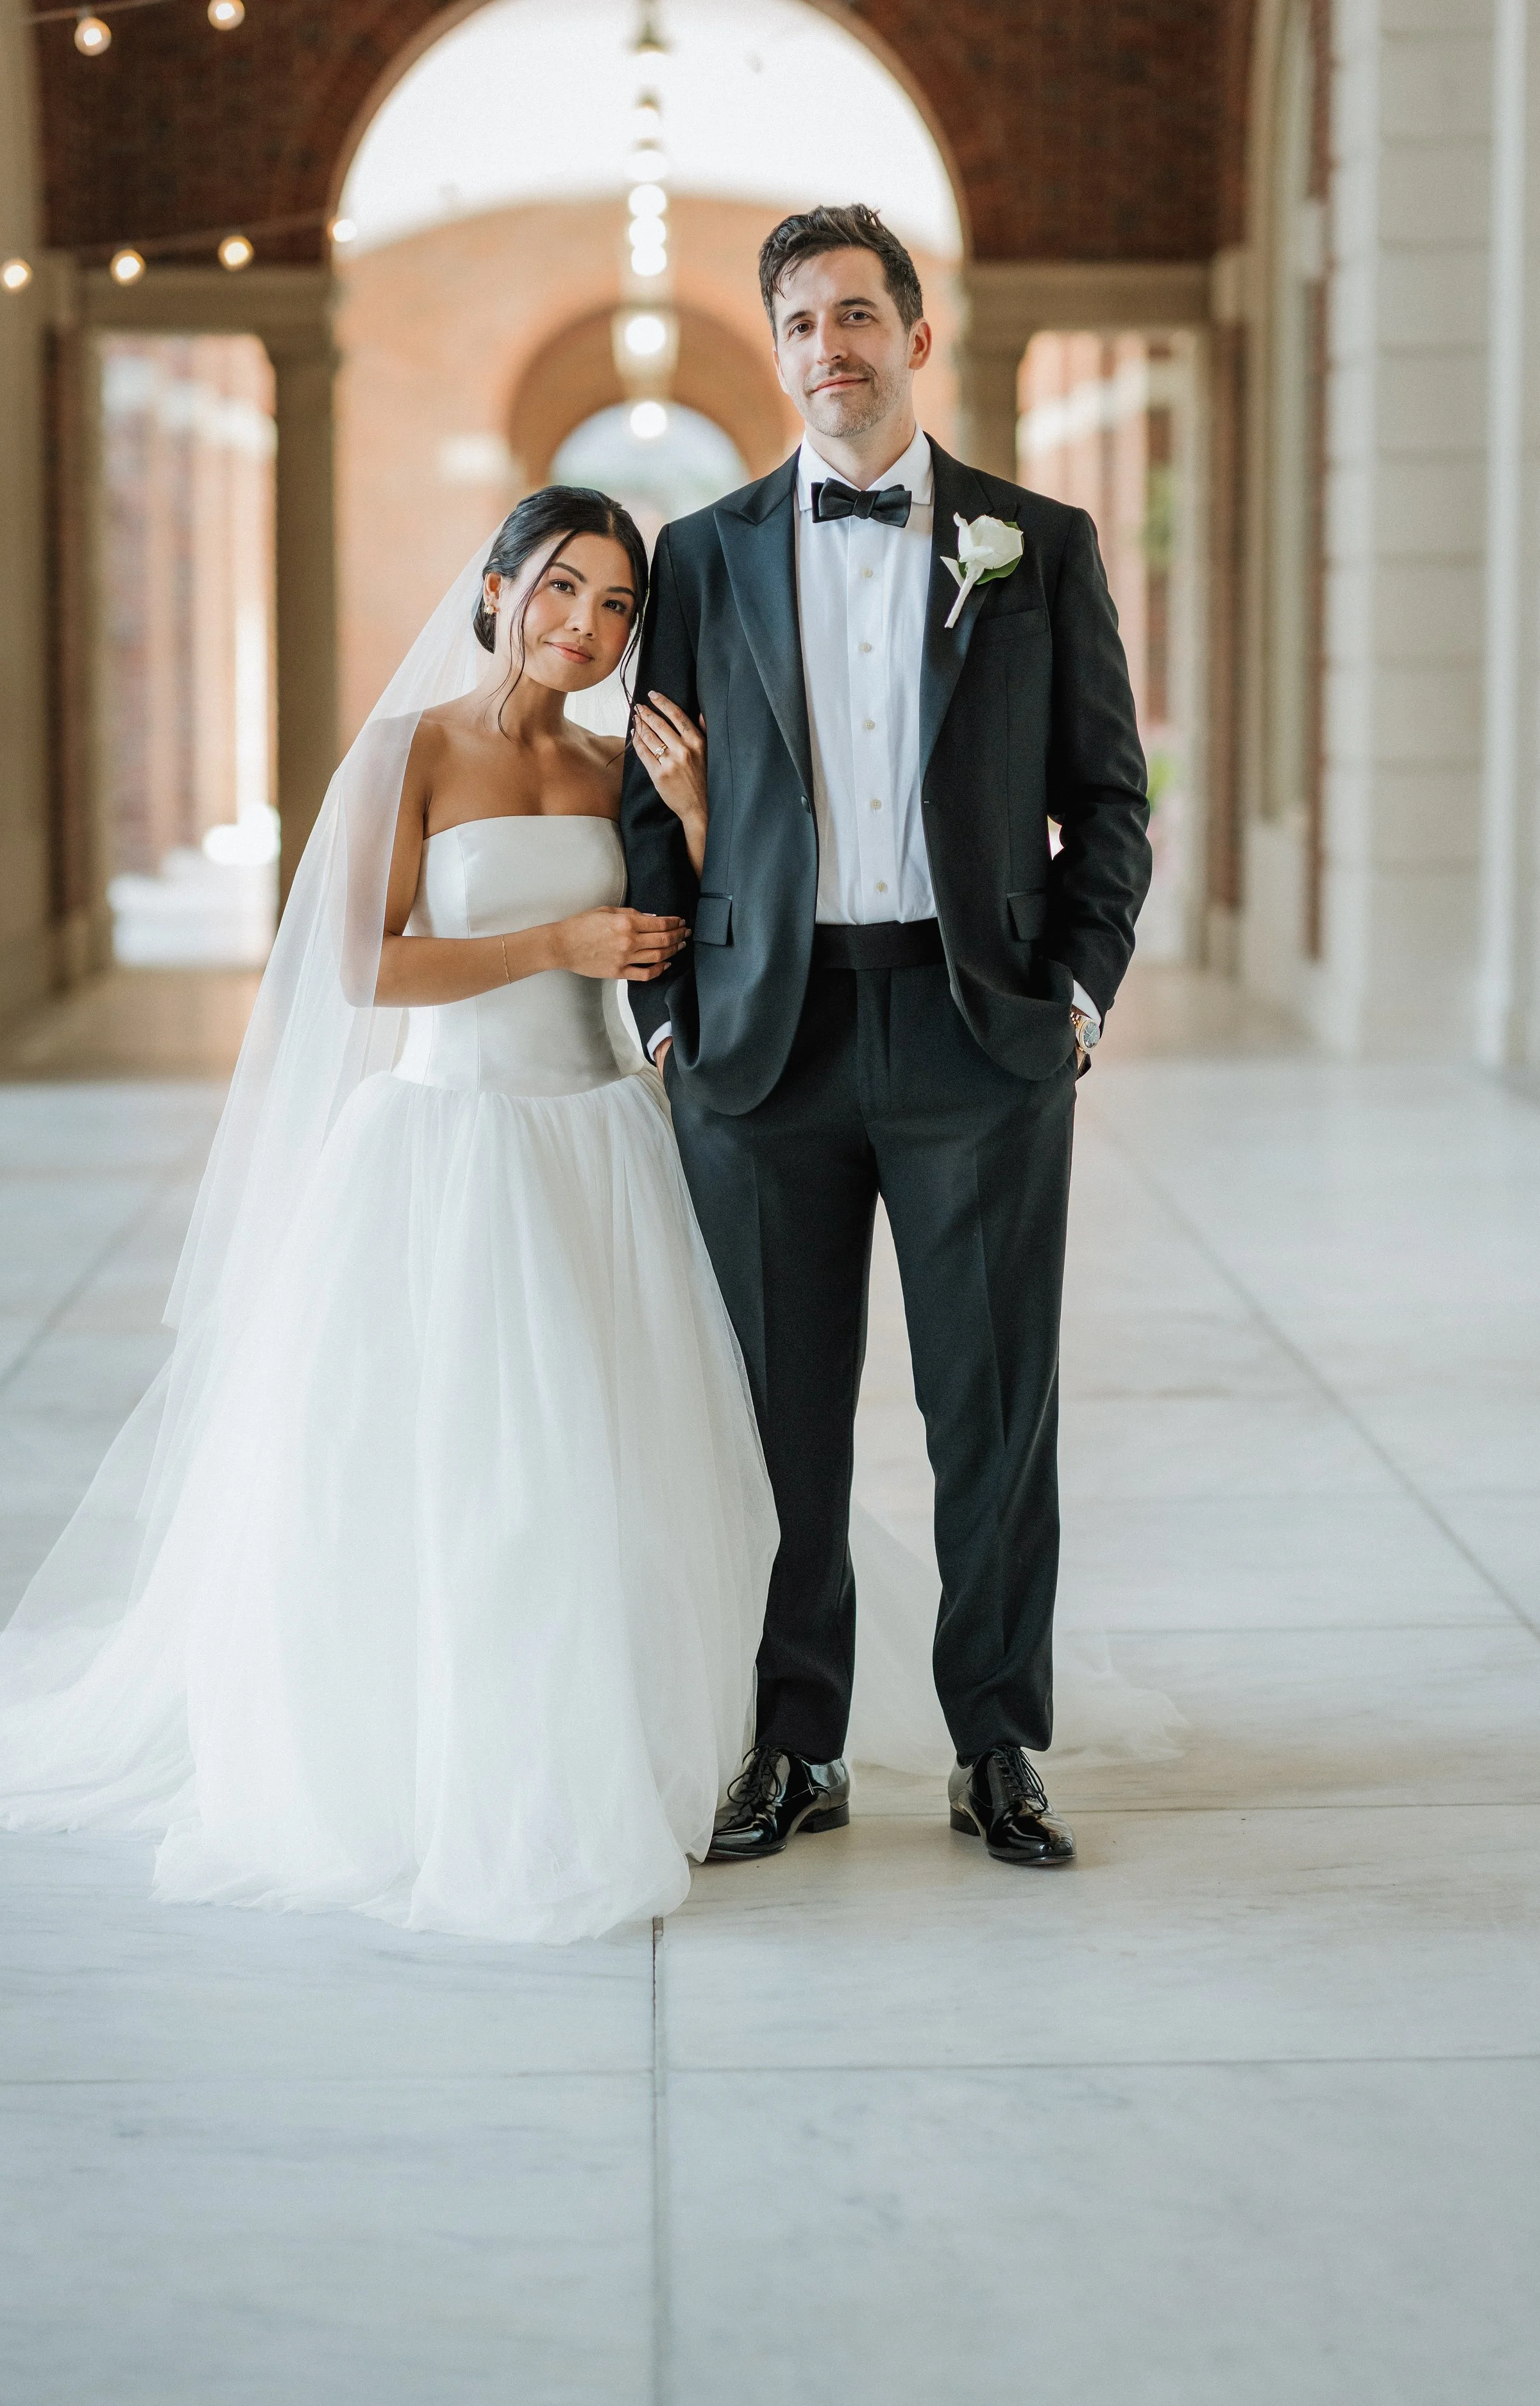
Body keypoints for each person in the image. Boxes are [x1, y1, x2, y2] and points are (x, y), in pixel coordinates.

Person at [0, 488, 778, 1944]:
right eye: (562, 589)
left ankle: (622, 1726)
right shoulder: (411, 753)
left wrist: (695, 823)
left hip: (597, 1144)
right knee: (458, 1468)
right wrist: (549, 942)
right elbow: (365, 973)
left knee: (606, 1459)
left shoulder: (609, 768)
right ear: (499, 586)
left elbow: (672, 949)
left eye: (618, 608)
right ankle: (442, 1747)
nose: (586, 626)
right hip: (446, 1143)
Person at [621, 205, 1156, 1868]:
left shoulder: (1035, 543)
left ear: (915, 339)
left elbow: (1107, 802)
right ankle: (796, 1742)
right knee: (778, 1419)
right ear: (773, 349)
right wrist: (663, 1017)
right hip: (759, 1047)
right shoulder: (700, 556)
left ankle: (996, 1742)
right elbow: (649, 798)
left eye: (855, 315)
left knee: (989, 1414)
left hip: (970, 1032)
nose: (826, 349)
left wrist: (1068, 993)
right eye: (797, 322)